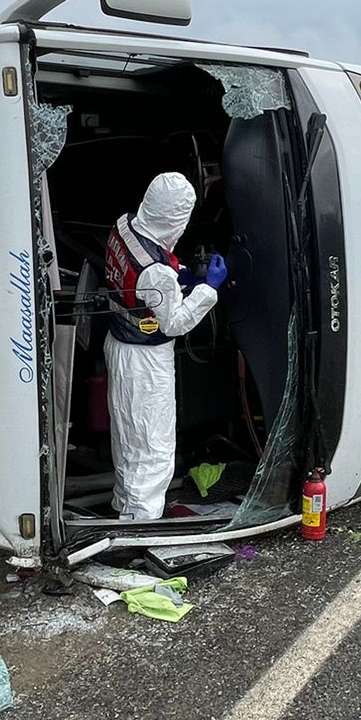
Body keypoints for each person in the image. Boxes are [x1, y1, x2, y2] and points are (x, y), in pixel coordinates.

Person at [104, 172, 227, 519]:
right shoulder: (156, 272)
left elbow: (145, 277)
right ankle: (143, 528)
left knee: (129, 438)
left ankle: (125, 508)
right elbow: (174, 323)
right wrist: (208, 288)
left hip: (119, 345)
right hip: (146, 361)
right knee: (153, 448)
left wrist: (181, 274)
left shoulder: (125, 225)